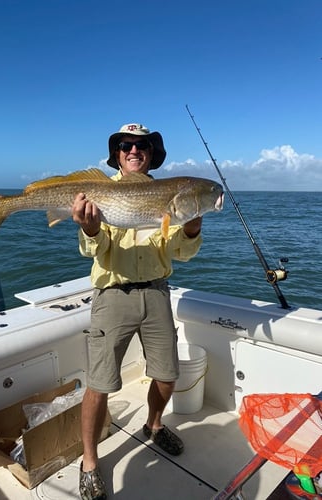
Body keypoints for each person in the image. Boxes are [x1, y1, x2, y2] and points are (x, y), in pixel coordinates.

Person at [72, 123, 203, 500]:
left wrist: (191, 228)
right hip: (113, 294)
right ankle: (90, 461)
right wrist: (92, 230)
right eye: (126, 145)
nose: (134, 150)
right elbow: (92, 251)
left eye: (141, 145)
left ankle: (154, 424)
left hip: (158, 292)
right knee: (99, 385)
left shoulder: (171, 197)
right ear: (117, 154)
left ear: (150, 153)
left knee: (167, 376)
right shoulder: (100, 191)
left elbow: (179, 251)